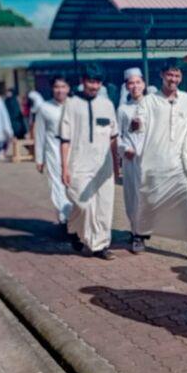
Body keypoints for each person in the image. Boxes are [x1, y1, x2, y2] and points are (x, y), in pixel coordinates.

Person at [131, 59, 187, 263]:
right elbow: (139, 126)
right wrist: (136, 125)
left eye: (177, 75)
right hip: (155, 164)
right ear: (162, 75)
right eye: (170, 74)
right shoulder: (149, 101)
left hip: (182, 163)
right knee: (149, 202)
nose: (173, 79)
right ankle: (139, 235)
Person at [60, 68, 120, 260]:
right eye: (91, 81)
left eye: (97, 82)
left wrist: (116, 165)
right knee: (83, 204)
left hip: (103, 164)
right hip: (78, 163)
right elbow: (65, 140)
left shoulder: (107, 104)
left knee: (104, 205)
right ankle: (73, 228)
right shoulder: (71, 104)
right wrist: (64, 167)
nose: (94, 86)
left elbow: (113, 137)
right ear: (83, 80)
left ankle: (100, 245)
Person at [32, 76, 73, 230]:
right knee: (58, 185)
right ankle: (65, 220)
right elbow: (40, 134)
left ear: (68, 88)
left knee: (73, 186)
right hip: (53, 151)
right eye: (57, 87)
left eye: (63, 86)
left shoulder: (75, 105)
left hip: (73, 152)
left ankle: (75, 218)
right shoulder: (44, 108)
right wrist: (39, 159)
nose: (60, 90)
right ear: (52, 89)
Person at [117, 68, 147, 252]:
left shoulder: (152, 106)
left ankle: (145, 229)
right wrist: (123, 149)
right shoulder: (123, 109)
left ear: (143, 84)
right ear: (126, 86)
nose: (135, 86)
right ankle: (136, 234)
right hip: (131, 159)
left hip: (149, 158)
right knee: (133, 196)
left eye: (138, 82)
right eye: (131, 83)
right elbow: (116, 135)